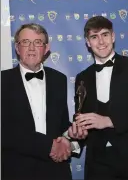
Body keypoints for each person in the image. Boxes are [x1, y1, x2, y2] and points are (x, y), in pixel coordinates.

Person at [69, 16, 128, 180]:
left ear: (113, 36)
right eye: (94, 37)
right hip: (99, 167)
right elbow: (83, 118)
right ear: (88, 42)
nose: (101, 41)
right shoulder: (83, 78)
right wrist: (78, 133)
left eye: (105, 35)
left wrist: (110, 121)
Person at [1, 23, 82, 180]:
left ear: (46, 49)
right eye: (25, 42)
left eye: (37, 42)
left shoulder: (59, 79)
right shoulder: (2, 81)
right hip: (17, 171)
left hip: (56, 170)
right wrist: (48, 146)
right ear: (17, 48)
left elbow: (61, 124)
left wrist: (70, 139)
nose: (31, 48)